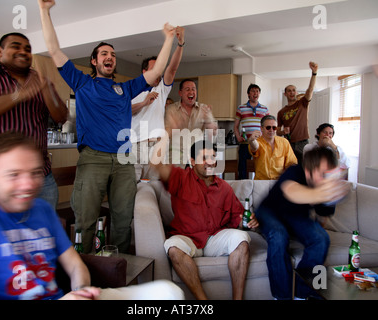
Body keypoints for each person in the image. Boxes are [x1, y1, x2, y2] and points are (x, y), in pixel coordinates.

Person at [0, 131, 184, 300]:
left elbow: (75, 264)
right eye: (13, 175)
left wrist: (81, 291)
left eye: (34, 173)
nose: (28, 184)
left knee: (169, 292)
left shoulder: (40, 209)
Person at [38, 0, 175, 254]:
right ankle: (84, 279)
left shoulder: (126, 88)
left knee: (123, 223)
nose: (109, 57)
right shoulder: (82, 83)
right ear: (94, 61)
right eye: (104, 54)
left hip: (125, 160)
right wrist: (44, 11)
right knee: (86, 223)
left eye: (112, 54)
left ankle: (117, 272)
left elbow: (156, 71)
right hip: (93, 159)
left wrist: (168, 38)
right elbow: (54, 49)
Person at [0, 32, 68, 209]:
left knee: (41, 231)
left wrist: (47, 91)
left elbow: (61, 117)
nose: (23, 51)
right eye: (16, 46)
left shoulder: (40, 81)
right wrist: (20, 94)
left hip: (40, 177)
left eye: (27, 49)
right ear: (0, 51)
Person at [150, 132, 259, 300]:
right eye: (204, 157)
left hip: (214, 237)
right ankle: (203, 302)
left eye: (213, 157)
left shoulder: (224, 188)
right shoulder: (180, 178)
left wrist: (250, 220)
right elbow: (156, 163)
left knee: (242, 239)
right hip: (187, 237)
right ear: (192, 161)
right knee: (173, 248)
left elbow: (238, 217)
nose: (210, 162)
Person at [255, 147, 350, 300]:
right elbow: (292, 191)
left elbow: (323, 216)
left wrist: (332, 196)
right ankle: (282, 296)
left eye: (329, 174)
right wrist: (326, 193)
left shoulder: (323, 186)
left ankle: (302, 292)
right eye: (323, 174)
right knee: (279, 235)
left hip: (296, 216)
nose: (327, 179)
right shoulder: (295, 171)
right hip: (269, 212)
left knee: (321, 238)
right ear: (308, 171)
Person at [131, 26, 185, 181]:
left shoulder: (161, 88)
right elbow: (124, 111)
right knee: (132, 188)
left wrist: (180, 44)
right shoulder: (131, 89)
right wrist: (143, 103)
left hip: (157, 146)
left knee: (157, 187)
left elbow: (172, 68)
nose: (158, 72)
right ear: (144, 72)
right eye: (154, 69)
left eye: (159, 69)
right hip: (135, 145)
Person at [164, 79, 218, 166]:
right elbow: (167, 133)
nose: (191, 92)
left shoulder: (203, 109)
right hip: (176, 159)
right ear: (180, 93)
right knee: (178, 180)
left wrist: (208, 119)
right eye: (187, 89)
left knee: (196, 180)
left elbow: (214, 132)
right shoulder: (171, 109)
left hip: (197, 158)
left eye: (193, 89)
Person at [276, 61, 319, 164]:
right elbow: (277, 132)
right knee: (290, 166)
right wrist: (283, 132)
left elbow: (310, 89)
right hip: (288, 142)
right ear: (285, 94)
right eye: (289, 91)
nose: (292, 92)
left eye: (294, 90)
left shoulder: (302, 103)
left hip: (303, 142)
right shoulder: (281, 112)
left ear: (296, 92)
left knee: (305, 167)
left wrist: (314, 73)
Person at [233, 84, 269, 180]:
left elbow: (268, 126)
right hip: (245, 143)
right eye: (253, 91)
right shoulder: (241, 108)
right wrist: (238, 137)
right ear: (248, 94)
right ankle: (242, 191)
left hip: (260, 143)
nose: (255, 93)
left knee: (260, 167)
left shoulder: (264, 109)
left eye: (257, 91)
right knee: (243, 168)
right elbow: (235, 126)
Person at [248, 115, 297, 180]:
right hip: (261, 182)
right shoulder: (257, 142)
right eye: (268, 127)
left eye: (274, 128)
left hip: (279, 182)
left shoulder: (284, 142)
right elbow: (255, 147)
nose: (271, 130)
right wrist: (252, 140)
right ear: (262, 128)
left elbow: (292, 163)